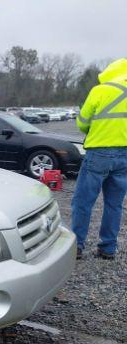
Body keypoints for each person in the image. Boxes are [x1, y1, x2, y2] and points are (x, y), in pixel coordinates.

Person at [71, 58, 127, 260]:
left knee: (83, 202)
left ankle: (76, 246)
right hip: (125, 155)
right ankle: (108, 248)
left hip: (99, 153)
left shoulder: (99, 90)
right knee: (114, 204)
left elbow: (82, 124)